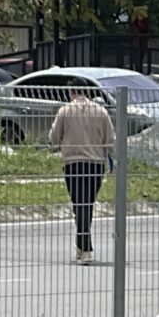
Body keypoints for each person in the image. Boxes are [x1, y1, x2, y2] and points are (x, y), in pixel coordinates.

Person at [48, 90, 114, 265]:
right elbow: (110, 139)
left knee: (79, 205)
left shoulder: (65, 110)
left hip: (73, 162)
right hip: (96, 164)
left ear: (71, 92)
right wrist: (114, 160)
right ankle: (81, 245)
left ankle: (86, 249)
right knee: (87, 205)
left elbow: (54, 138)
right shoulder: (101, 111)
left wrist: (58, 144)